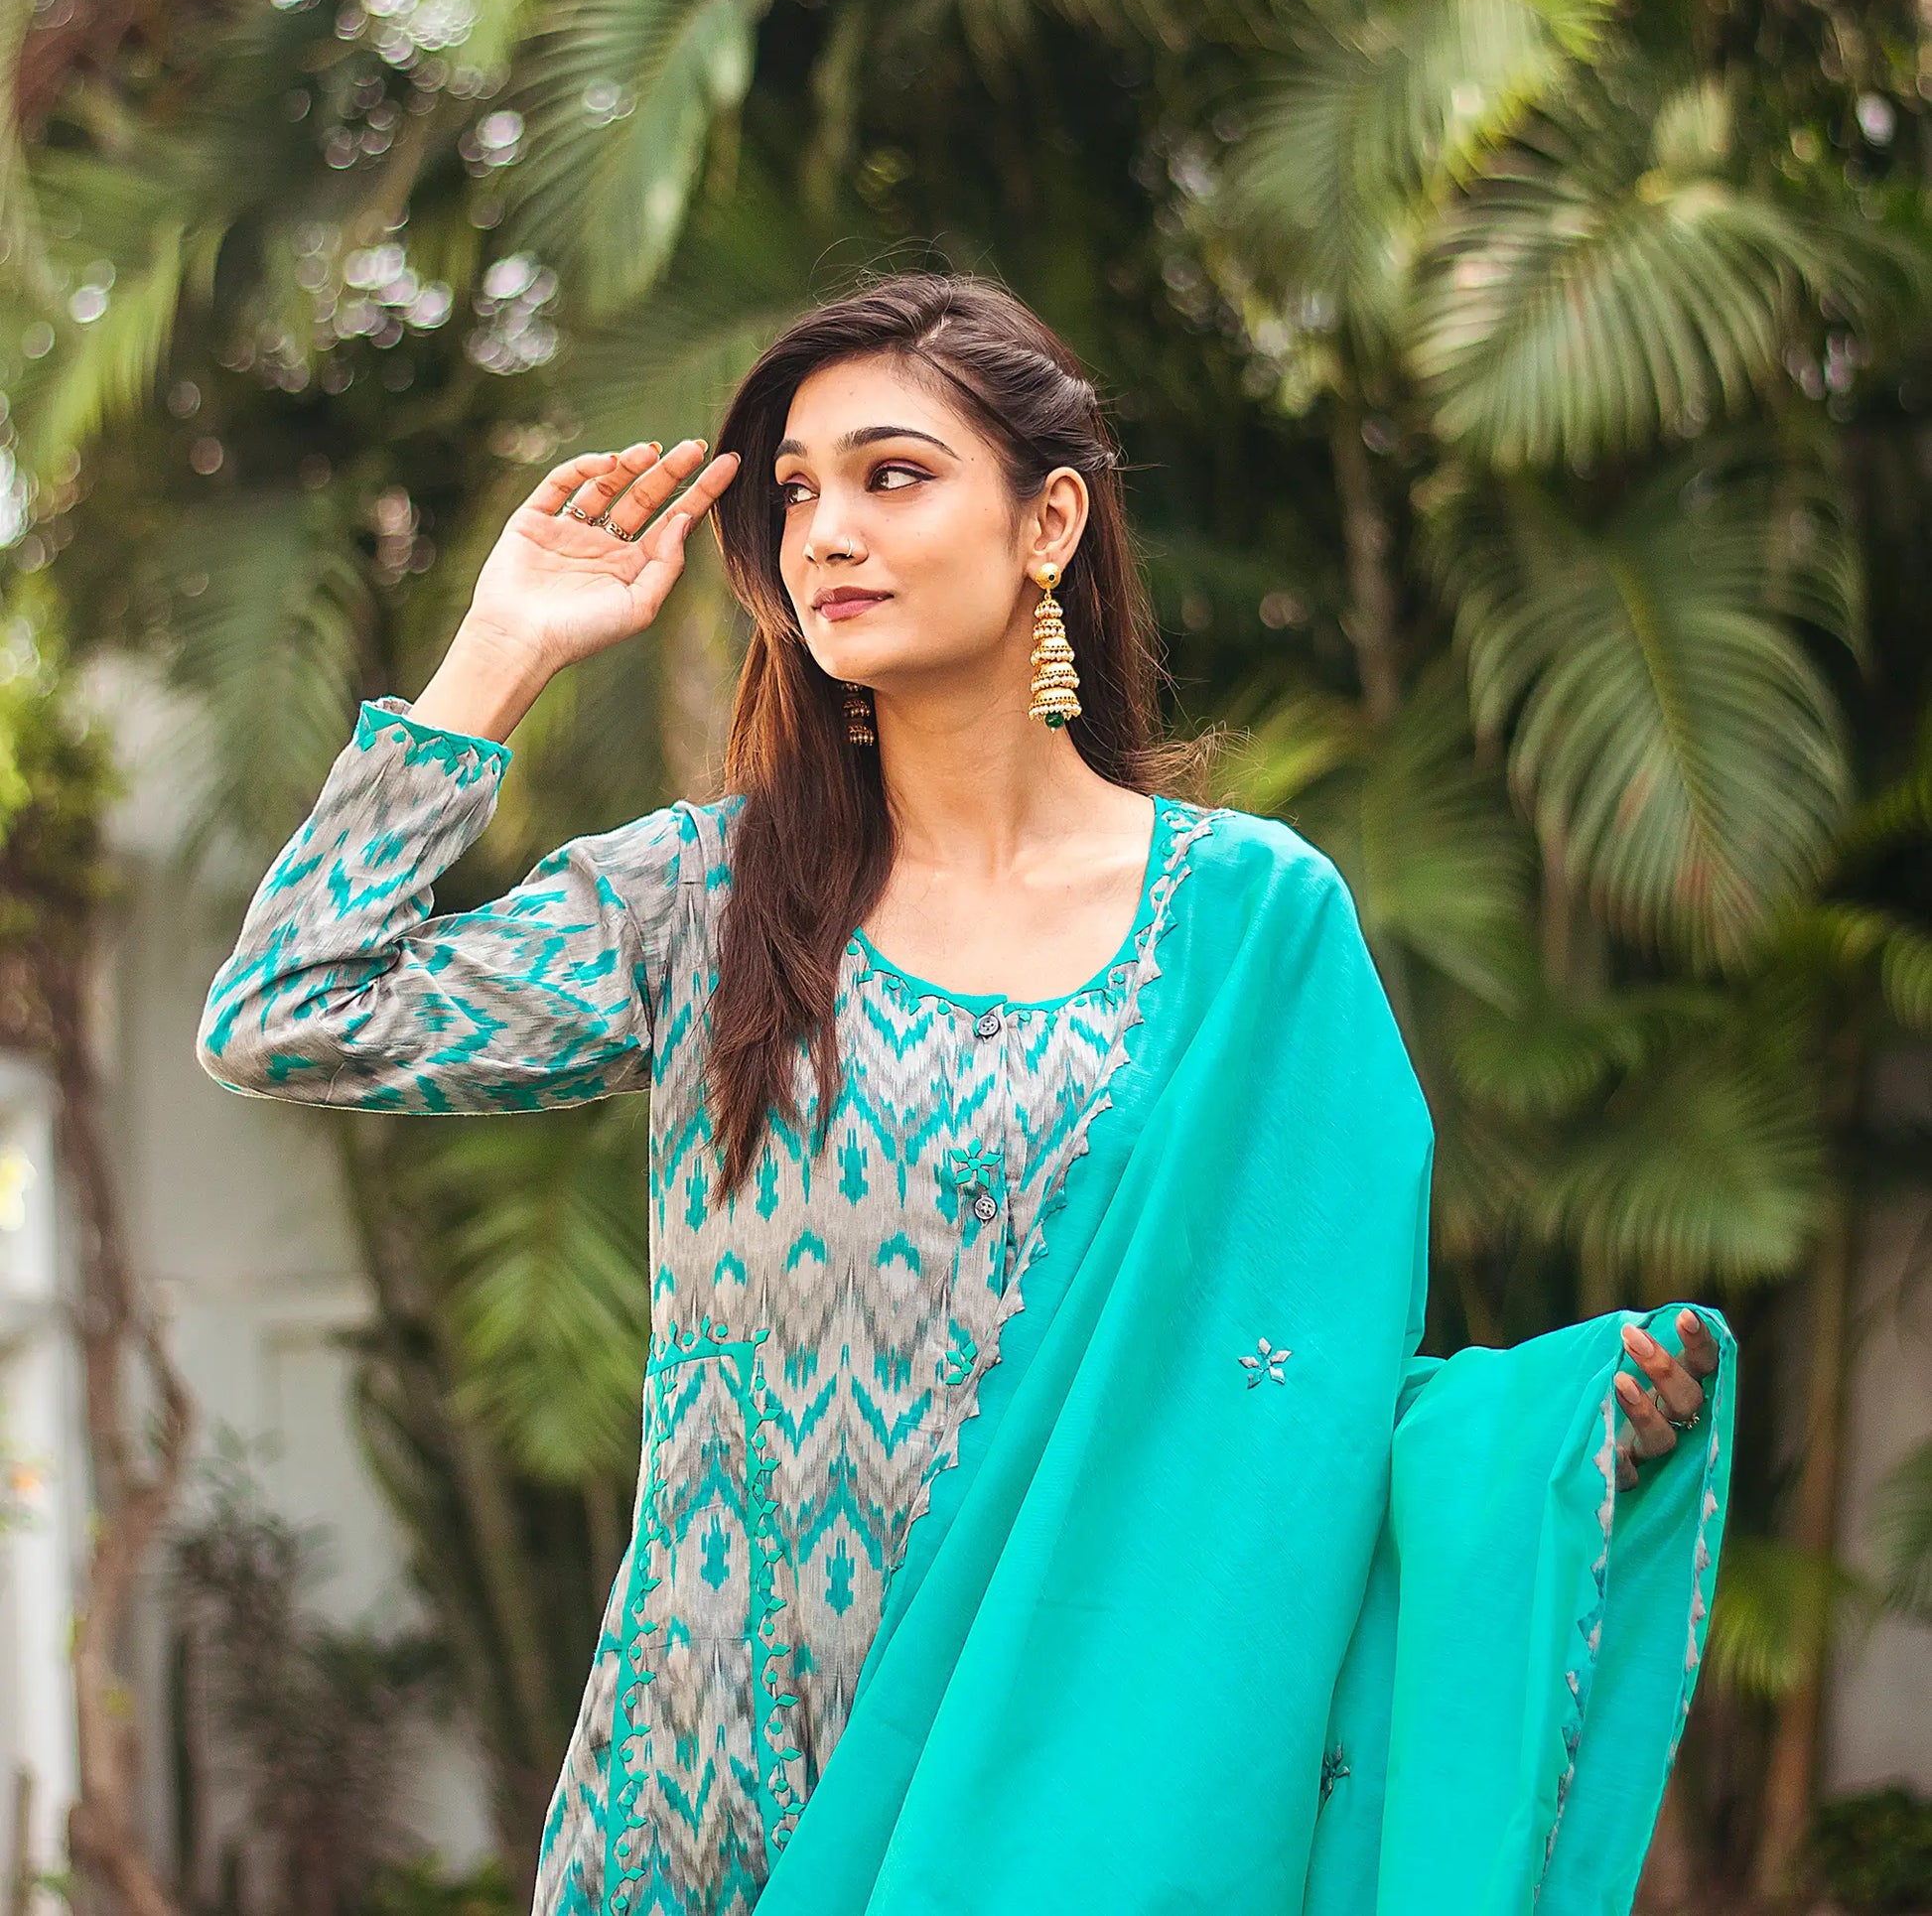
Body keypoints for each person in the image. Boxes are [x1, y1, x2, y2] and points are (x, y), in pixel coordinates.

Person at [197, 271, 1730, 1916]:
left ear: (1047, 519)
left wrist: (1545, 1435)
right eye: (794, 490)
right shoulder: (708, 899)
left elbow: (1291, 1389)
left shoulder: (1246, 928)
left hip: (1073, 1801)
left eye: (892, 474)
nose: (825, 532)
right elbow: (293, 1010)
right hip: (704, 1790)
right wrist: (501, 651)